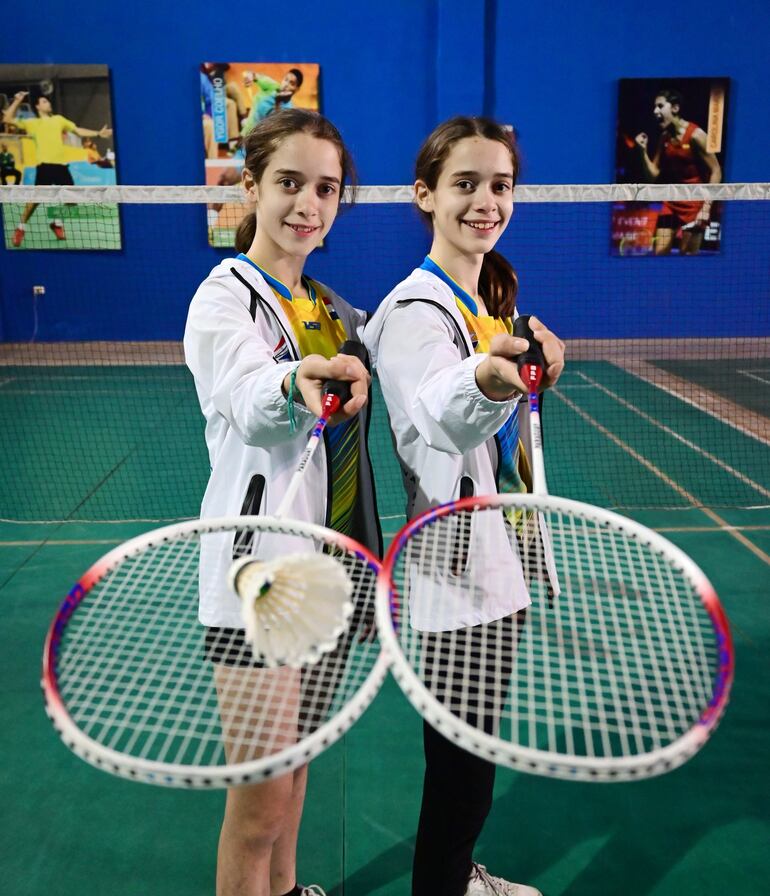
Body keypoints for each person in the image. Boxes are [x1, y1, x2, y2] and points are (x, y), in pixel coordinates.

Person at [364, 116, 565, 896]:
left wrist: (523, 369)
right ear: (426, 194)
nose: (486, 202)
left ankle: (455, 878)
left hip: (495, 558)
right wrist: (493, 379)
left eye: (501, 185)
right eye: (466, 184)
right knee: (462, 766)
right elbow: (439, 412)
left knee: (469, 757)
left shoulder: (481, 299)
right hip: (457, 569)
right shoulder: (418, 311)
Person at [184, 108, 381, 896]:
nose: (308, 204)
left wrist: (495, 367)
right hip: (257, 579)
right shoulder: (224, 299)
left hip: (329, 572)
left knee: (295, 781)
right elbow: (244, 391)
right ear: (251, 186)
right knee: (258, 806)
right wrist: (292, 383)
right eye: (289, 183)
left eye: (326, 189)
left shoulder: (333, 310)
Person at [2, 90, 112, 246]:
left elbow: (77, 130)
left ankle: (57, 223)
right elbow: (7, 118)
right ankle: (20, 228)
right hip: (45, 166)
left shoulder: (59, 120)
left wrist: (98, 134)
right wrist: (17, 100)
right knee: (34, 202)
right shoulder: (32, 123)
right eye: (44, 102)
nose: (49, 103)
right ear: (37, 107)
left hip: (61, 166)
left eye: (48, 101)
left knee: (72, 201)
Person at [635, 88, 722, 255]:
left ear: (675, 108)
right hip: (673, 200)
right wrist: (642, 151)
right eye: (655, 107)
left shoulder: (696, 136)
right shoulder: (665, 137)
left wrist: (706, 208)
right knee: (659, 253)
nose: (655, 111)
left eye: (660, 106)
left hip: (695, 202)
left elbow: (716, 170)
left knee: (687, 256)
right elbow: (652, 176)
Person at [240, 69, 304, 137]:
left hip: (257, 141)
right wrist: (250, 76)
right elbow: (254, 75)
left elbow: (274, 130)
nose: (286, 85)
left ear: (297, 89)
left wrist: (278, 102)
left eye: (292, 83)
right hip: (245, 132)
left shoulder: (289, 110)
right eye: (285, 79)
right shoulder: (272, 86)